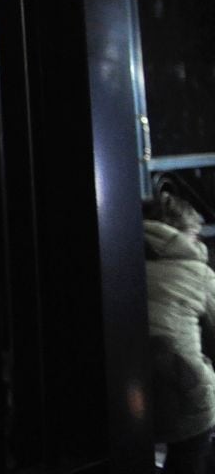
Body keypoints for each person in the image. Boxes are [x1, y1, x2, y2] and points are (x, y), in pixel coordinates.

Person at [144, 183, 215, 473]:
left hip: (127, 395)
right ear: (181, 231)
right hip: (185, 394)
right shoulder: (197, 272)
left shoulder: (119, 259)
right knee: (192, 451)